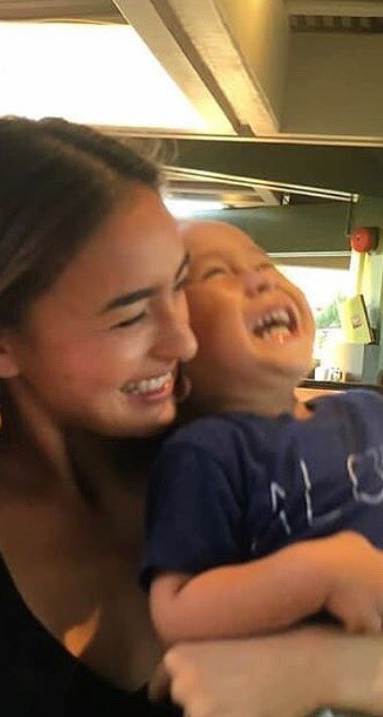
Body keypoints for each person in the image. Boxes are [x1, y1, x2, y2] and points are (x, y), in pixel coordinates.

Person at [0, 117, 383, 717]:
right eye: (130, 316)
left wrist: (335, 669)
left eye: (179, 287)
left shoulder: (229, 460)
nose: (182, 341)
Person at [142, 220, 383, 644]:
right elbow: (174, 610)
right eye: (217, 273)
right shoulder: (207, 453)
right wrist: (322, 573)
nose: (261, 279)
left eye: (264, 263)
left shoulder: (367, 408)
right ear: (175, 348)